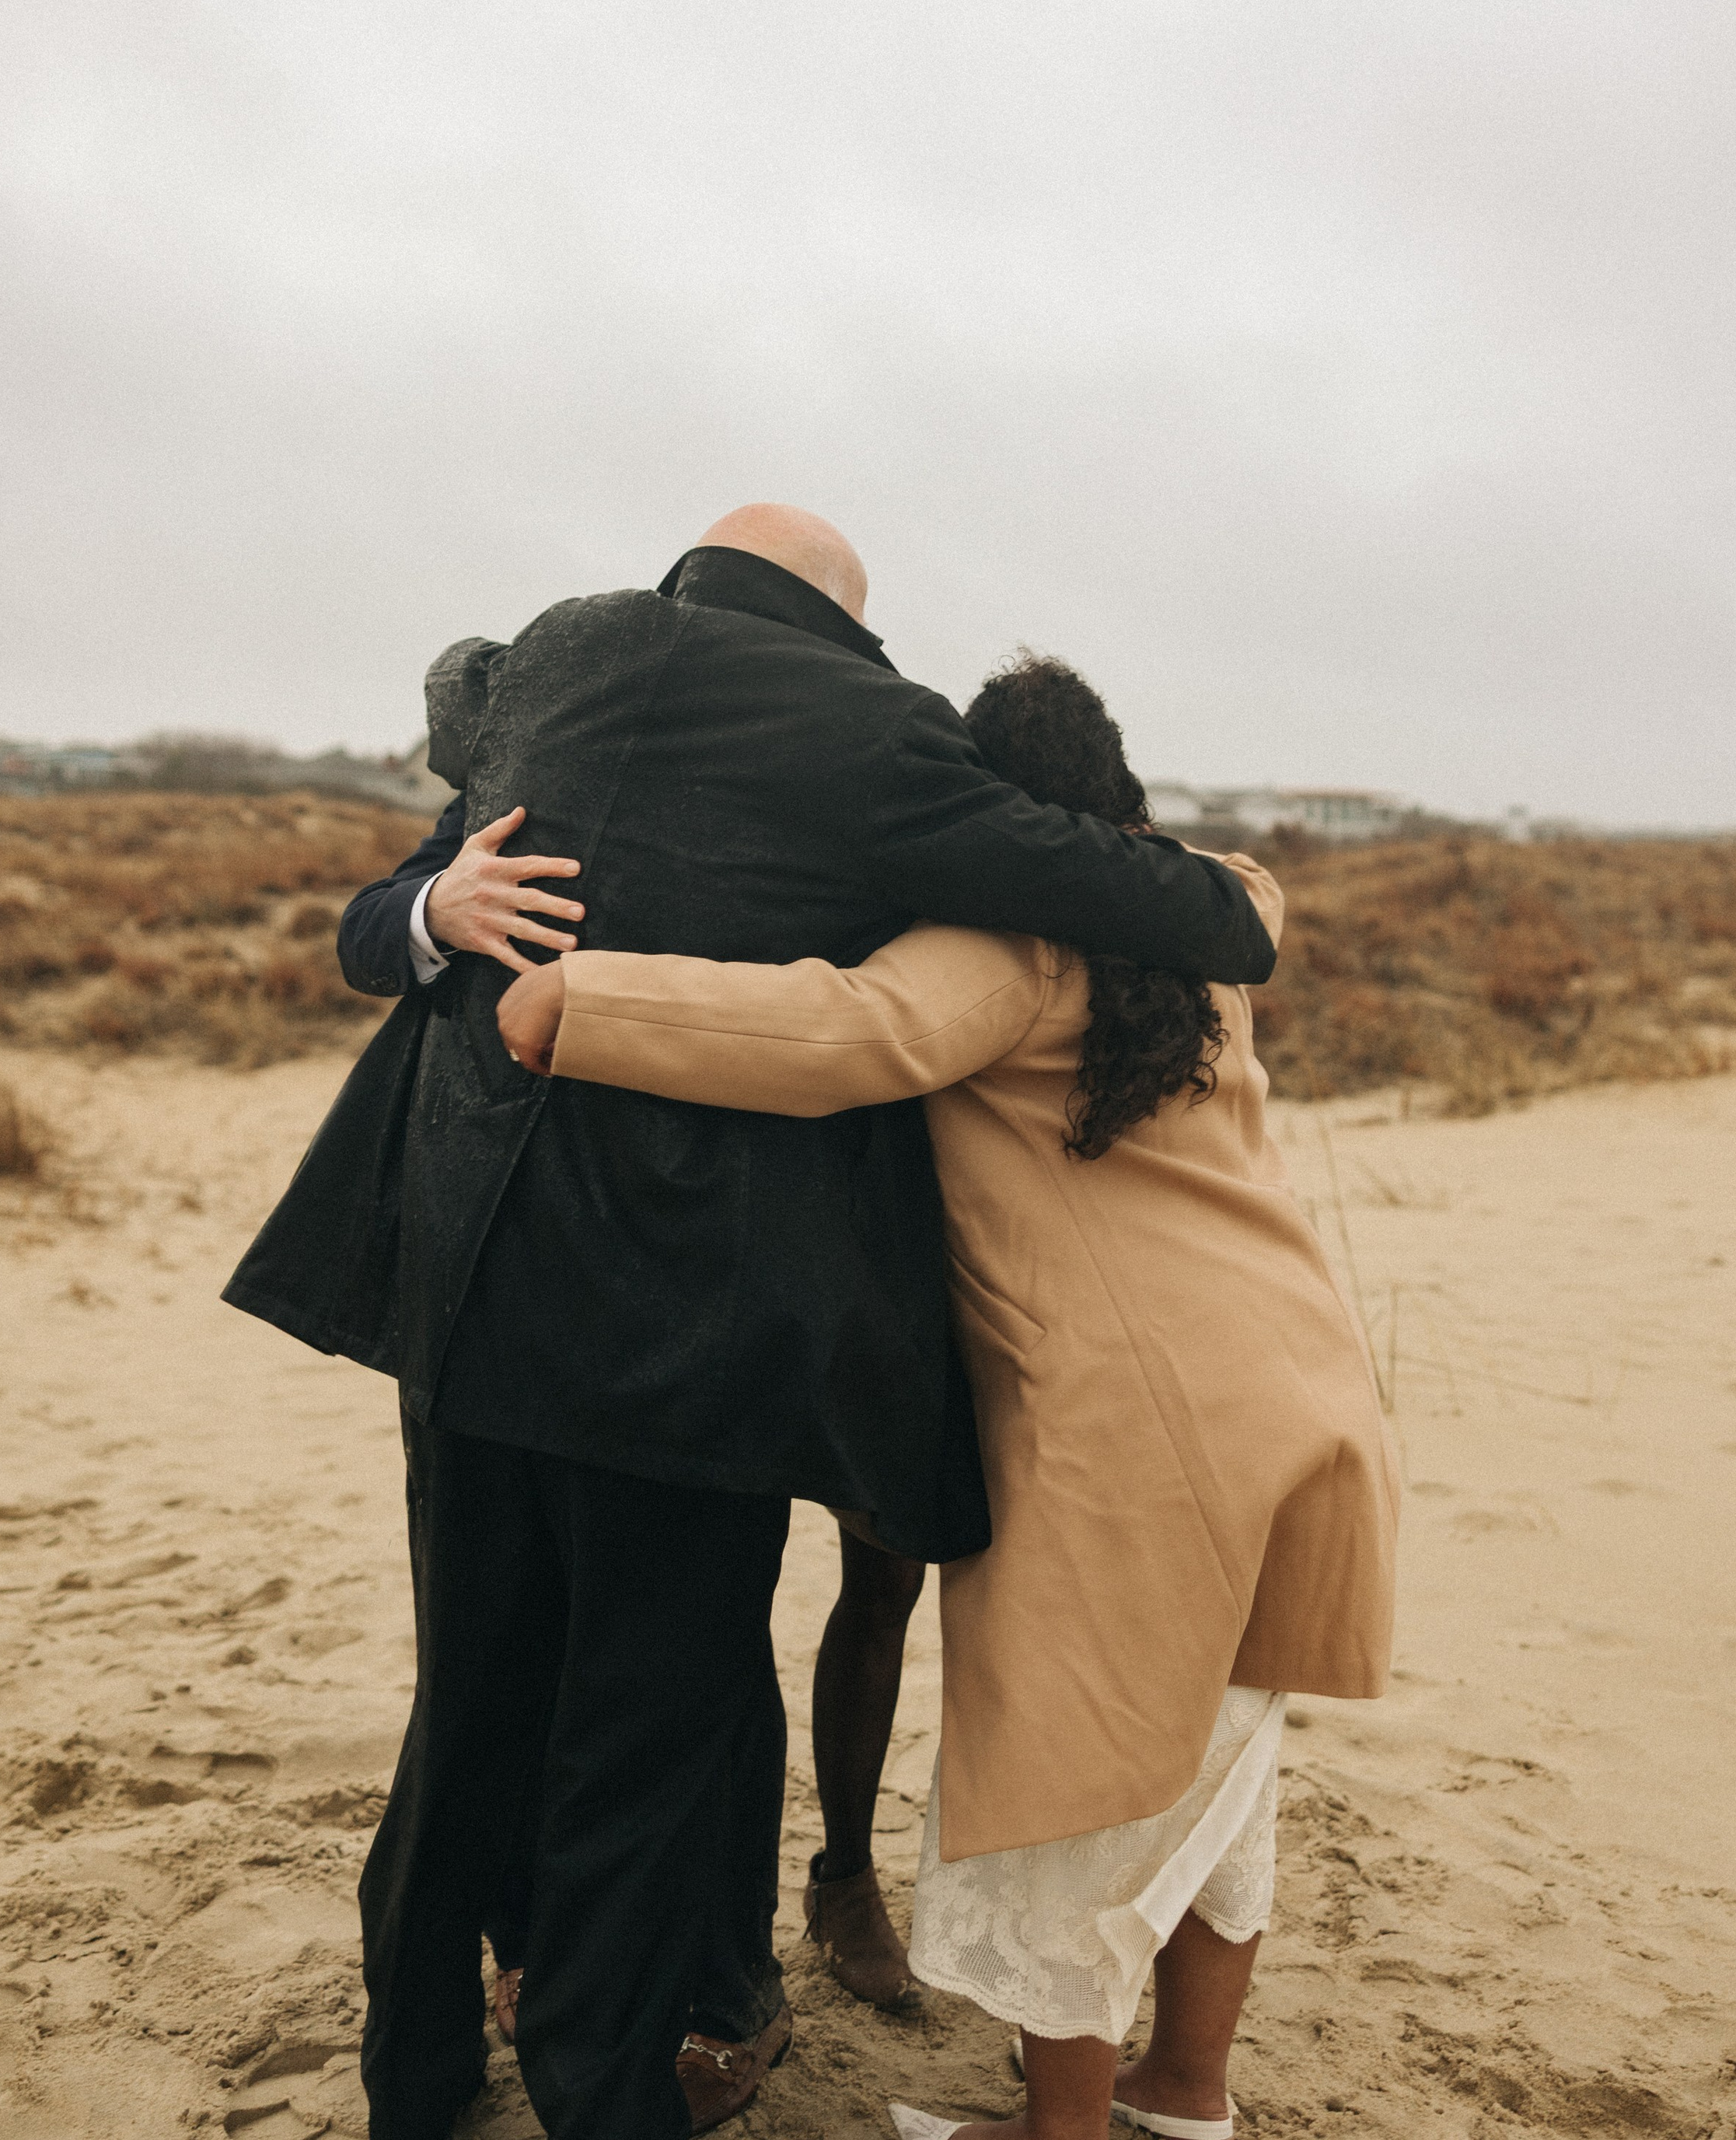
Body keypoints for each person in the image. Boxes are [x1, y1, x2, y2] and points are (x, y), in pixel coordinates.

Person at [226, 512, 1278, 2140]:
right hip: (687, 1340)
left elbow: (385, 900)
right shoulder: (874, 734)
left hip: (462, 1296)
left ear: (686, 579)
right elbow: (1114, 894)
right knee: (653, 1728)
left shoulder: (550, 662)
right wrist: (1240, 907)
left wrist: (429, 908)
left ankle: (422, 2074)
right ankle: (609, 2086)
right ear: (846, 627)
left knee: (474, 1695)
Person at [495, 652, 1400, 2140]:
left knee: (1084, 1793)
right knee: (1225, 1775)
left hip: (1137, 1430)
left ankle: (1062, 2135)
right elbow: (1247, 885)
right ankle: (1184, 2093)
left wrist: (576, 1000)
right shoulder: (1206, 922)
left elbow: (838, 1031)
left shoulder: (1017, 952)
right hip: (1301, 1390)